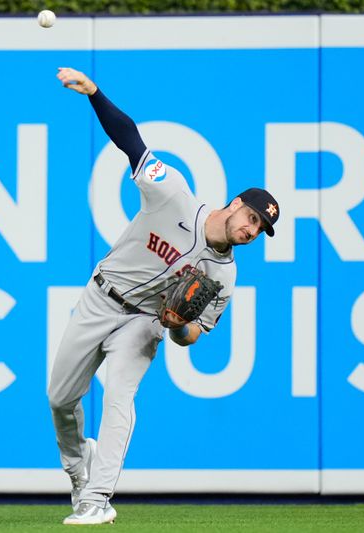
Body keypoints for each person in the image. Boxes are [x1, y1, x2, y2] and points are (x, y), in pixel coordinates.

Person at [48, 67, 280, 526]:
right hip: (101, 296)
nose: (251, 230)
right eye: (251, 217)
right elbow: (130, 140)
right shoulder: (173, 194)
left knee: (119, 396)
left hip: (145, 321)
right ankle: (79, 469)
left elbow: (194, 335)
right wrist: (95, 94)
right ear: (234, 203)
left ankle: (97, 498)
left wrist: (177, 326)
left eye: (260, 228)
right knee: (60, 398)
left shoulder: (225, 275)